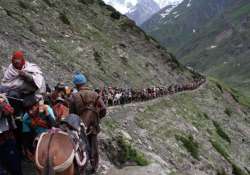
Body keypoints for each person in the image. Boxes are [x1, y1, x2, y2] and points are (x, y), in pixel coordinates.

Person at [69, 72, 106, 172]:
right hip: (93, 126)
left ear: (76, 84)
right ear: (85, 82)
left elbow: (71, 115)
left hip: (80, 127)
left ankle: (81, 165)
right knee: (94, 146)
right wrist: (98, 118)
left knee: (81, 146)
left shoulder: (74, 97)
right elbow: (103, 109)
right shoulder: (95, 94)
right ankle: (94, 167)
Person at [22, 94, 56, 159]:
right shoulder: (26, 118)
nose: (30, 112)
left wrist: (47, 113)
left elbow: (54, 125)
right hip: (39, 140)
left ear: (37, 105)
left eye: (32, 108)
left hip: (52, 136)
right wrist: (27, 150)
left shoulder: (47, 108)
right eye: (27, 110)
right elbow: (26, 135)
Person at [0, 94, 22, 175]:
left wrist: (2, 104)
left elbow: (10, 111)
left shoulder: (2, 100)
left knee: (15, 166)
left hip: (7, 139)